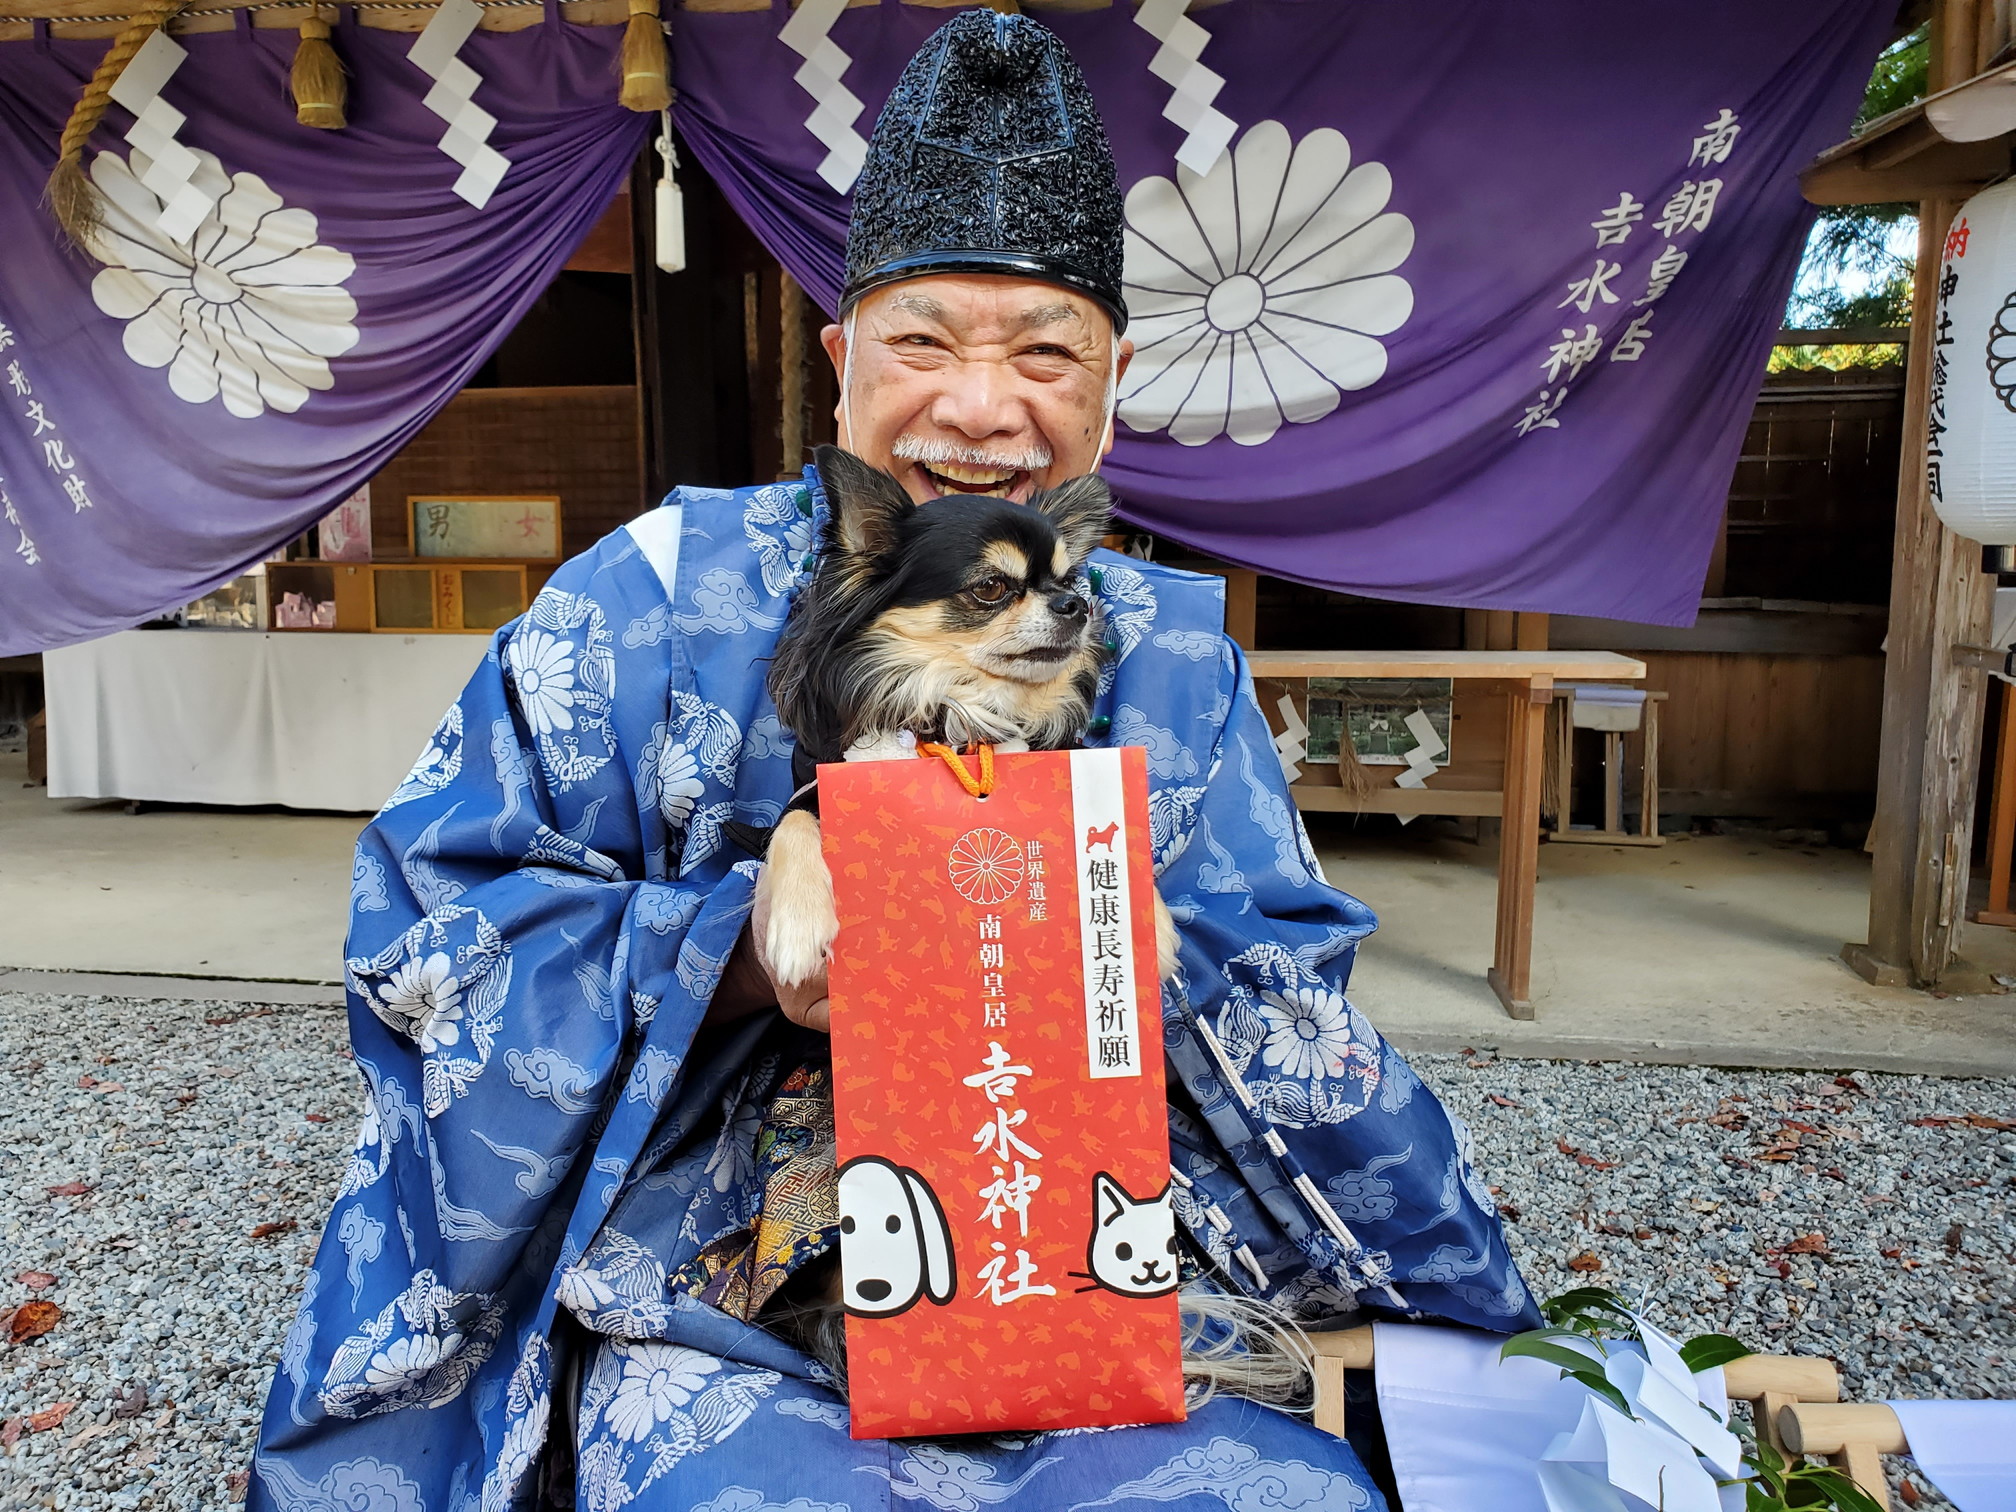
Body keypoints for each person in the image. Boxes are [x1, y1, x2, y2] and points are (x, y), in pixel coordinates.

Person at [250, 14, 1534, 1510]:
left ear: (1112, 381)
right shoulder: (651, 601)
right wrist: (732, 952)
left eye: (1045, 352)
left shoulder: (1173, 655)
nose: (982, 409)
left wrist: (1116, 947)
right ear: (841, 356)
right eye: (923, 340)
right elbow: (424, 935)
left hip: (1117, 1247)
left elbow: (1282, 993)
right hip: (717, 1273)